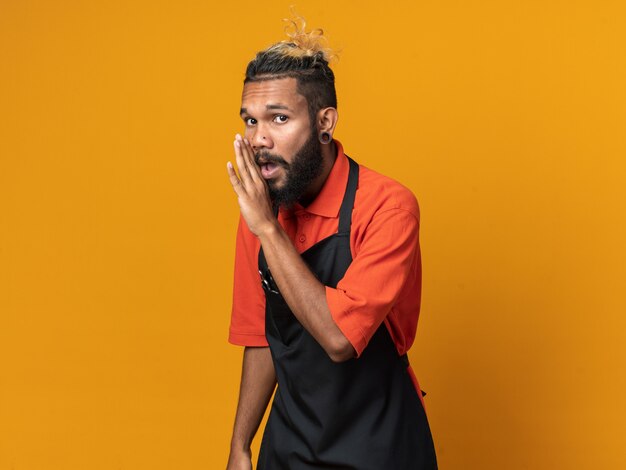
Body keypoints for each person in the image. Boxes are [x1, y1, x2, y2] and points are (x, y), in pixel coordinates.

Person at [225, 17, 438, 470]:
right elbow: (261, 339)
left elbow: (340, 339)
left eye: (279, 118)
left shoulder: (387, 207)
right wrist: (240, 446)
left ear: (325, 122)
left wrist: (268, 229)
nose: (259, 139)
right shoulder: (262, 213)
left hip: (379, 444)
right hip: (290, 445)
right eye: (251, 120)